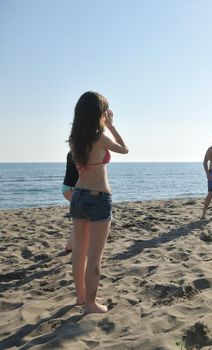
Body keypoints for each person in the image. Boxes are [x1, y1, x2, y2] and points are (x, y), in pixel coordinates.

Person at [68, 91, 128, 313]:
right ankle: (91, 305)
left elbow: (79, 166)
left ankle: (82, 297)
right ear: (99, 113)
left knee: (79, 254)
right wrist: (111, 126)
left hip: (79, 196)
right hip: (99, 196)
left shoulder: (75, 139)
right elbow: (124, 149)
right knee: (94, 256)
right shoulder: (100, 137)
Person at [62, 151, 79, 252]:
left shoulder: (73, 151)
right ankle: (70, 245)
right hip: (71, 189)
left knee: (82, 216)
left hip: (69, 188)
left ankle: (71, 245)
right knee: (82, 217)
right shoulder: (75, 153)